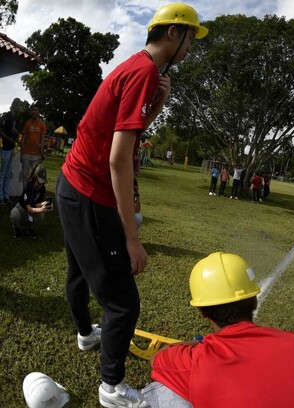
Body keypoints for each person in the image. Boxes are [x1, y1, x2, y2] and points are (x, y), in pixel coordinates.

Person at [54, 4, 208, 407]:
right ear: (172, 35)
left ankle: (86, 334)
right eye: (190, 37)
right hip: (90, 193)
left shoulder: (137, 69)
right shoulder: (143, 72)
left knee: (78, 270)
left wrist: (157, 105)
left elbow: (124, 134)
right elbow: (119, 159)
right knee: (123, 303)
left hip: (71, 185)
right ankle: (112, 389)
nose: (191, 46)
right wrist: (132, 237)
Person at [141, 252, 294, 407]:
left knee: (162, 390)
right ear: (255, 301)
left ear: (201, 311)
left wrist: (198, 343)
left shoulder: (196, 362)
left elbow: (157, 359)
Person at [11, 164, 51, 239]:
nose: (40, 185)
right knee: (14, 214)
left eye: (42, 183)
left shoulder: (42, 189)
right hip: (22, 209)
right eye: (39, 182)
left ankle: (31, 229)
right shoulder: (27, 187)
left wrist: (44, 204)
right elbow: (29, 208)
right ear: (34, 178)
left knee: (41, 215)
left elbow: (35, 204)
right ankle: (17, 229)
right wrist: (41, 209)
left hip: (31, 212)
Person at [21, 106, 47, 190]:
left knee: (35, 175)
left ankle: (32, 192)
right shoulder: (28, 123)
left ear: (39, 112)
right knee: (25, 174)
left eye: (35, 110)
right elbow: (23, 138)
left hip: (36, 155)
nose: (33, 111)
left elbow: (42, 140)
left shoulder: (42, 124)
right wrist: (22, 153)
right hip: (26, 154)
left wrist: (42, 153)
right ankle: (25, 193)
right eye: (32, 110)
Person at [0, 98, 20, 206]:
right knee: (2, 174)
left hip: (12, 149)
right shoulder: (6, 116)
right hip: (5, 148)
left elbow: (14, 132)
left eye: (19, 105)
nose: (18, 107)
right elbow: (0, 130)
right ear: (13, 105)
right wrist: (8, 138)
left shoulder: (14, 118)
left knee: (8, 174)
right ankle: (0, 197)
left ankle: (6, 196)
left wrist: (15, 133)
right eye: (17, 105)